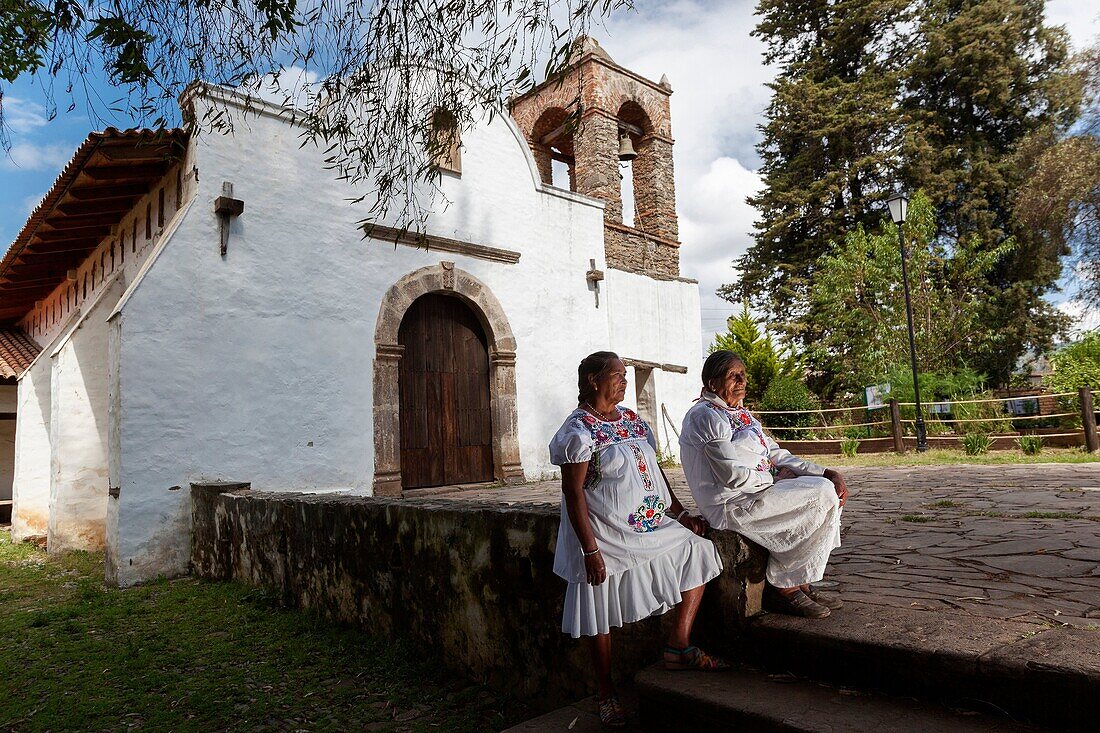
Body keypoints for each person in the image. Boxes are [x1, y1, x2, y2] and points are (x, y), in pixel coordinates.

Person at [549, 351, 726, 727]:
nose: (624, 380)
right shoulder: (579, 430)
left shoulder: (631, 419)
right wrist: (590, 550)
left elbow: (656, 471)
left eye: (625, 374)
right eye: (616, 374)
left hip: (647, 524)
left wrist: (678, 513)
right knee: (598, 607)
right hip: (605, 534)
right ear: (593, 380)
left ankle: (678, 645)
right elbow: (574, 492)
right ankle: (606, 692)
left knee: (698, 550)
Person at [679, 350, 849, 619]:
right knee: (821, 494)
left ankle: (801, 579)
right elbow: (731, 476)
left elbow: (776, 454)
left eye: (743, 375)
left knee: (827, 487)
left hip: (758, 491)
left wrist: (825, 471)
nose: (741, 380)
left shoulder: (741, 414)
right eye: (733, 375)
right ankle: (785, 586)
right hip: (732, 504)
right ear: (712, 383)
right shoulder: (706, 416)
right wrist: (772, 477)